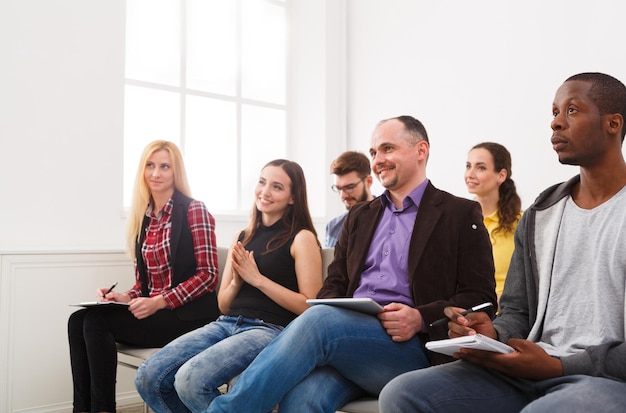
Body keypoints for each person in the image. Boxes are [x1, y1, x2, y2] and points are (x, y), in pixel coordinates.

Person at [207, 115, 497, 413]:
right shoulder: (360, 215)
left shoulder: (458, 214)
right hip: (347, 340)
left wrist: (419, 318)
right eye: (373, 153)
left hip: (410, 348)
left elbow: (482, 299)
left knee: (321, 321)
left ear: (421, 150)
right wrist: (342, 307)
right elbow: (334, 284)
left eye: (387, 149)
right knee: (302, 400)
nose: (378, 159)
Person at [378, 72, 626, 413]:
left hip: (605, 379)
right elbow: (517, 310)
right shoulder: (543, 211)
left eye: (572, 111)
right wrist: (491, 332)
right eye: (554, 113)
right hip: (528, 368)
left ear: (613, 123)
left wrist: (560, 366)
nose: (555, 124)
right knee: (403, 393)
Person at [135, 159, 323, 413]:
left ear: (292, 197)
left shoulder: (302, 238)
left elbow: (309, 306)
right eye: (262, 182)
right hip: (225, 323)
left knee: (190, 381)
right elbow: (223, 304)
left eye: (277, 187)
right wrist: (237, 280)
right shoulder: (241, 236)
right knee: (148, 376)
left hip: (270, 330)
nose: (265, 191)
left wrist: (257, 279)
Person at [68, 140, 220, 413]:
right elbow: (144, 285)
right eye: (150, 165)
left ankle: (103, 409)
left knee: (96, 322)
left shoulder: (194, 210)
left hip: (189, 317)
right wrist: (124, 296)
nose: (156, 173)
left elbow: (208, 275)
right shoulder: (145, 217)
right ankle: (83, 408)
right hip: (158, 314)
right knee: (77, 319)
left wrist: (160, 301)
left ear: (176, 172)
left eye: (164, 166)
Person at [465, 142, 522, 305]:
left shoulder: (521, 223)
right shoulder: (458, 221)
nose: (470, 174)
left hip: (507, 314)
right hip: (466, 313)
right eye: (468, 166)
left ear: (501, 175)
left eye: (480, 168)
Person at [325, 151, 375, 247]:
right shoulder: (333, 227)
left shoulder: (387, 219)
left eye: (350, 187)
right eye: (338, 188)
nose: (343, 195)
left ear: (368, 182)